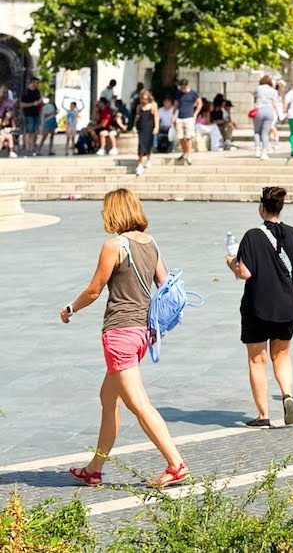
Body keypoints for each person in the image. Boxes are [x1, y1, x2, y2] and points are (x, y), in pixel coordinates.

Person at [60, 188, 188, 489]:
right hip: (141, 333)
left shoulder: (114, 246)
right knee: (108, 398)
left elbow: (94, 289)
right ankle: (94, 469)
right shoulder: (151, 243)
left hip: (119, 333)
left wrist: (70, 309)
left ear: (114, 212)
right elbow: (164, 284)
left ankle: (176, 465)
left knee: (139, 404)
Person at [225, 185, 293, 427]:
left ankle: (263, 415)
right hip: (287, 305)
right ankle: (286, 394)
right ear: (280, 208)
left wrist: (231, 263)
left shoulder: (252, 236)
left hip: (257, 306)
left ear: (261, 208)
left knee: (258, 360)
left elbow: (245, 273)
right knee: (282, 354)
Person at [252, 75, 281, 159]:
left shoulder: (258, 89)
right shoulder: (273, 91)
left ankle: (257, 149)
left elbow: (254, 99)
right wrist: (279, 114)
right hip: (269, 111)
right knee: (265, 132)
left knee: (257, 131)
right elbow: (275, 104)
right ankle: (264, 152)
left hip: (258, 110)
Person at [174, 79, 201, 166]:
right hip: (180, 117)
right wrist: (173, 115)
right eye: (181, 88)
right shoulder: (178, 93)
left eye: (184, 88)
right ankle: (185, 151)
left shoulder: (193, 93)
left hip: (189, 117)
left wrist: (195, 114)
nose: (183, 89)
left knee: (188, 137)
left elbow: (200, 103)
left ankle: (189, 154)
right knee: (180, 136)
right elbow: (176, 104)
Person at [134, 89, 156, 176]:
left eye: (146, 99)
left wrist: (156, 127)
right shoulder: (139, 106)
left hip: (149, 127)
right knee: (141, 145)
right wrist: (134, 126)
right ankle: (140, 163)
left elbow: (156, 117)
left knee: (149, 144)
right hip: (141, 127)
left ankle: (148, 159)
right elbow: (137, 116)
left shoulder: (153, 105)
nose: (144, 100)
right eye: (143, 98)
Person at [20, 75, 43, 156]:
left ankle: (32, 148)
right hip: (28, 114)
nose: (37, 84)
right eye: (36, 83)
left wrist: (40, 103)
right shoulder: (26, 92)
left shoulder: (37, 91)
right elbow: (22, 104)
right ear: (32, 83)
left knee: (34, 131)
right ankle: (27, 148)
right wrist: (32, 104)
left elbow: (39, 102)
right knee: (28, 131)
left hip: (36, 114)